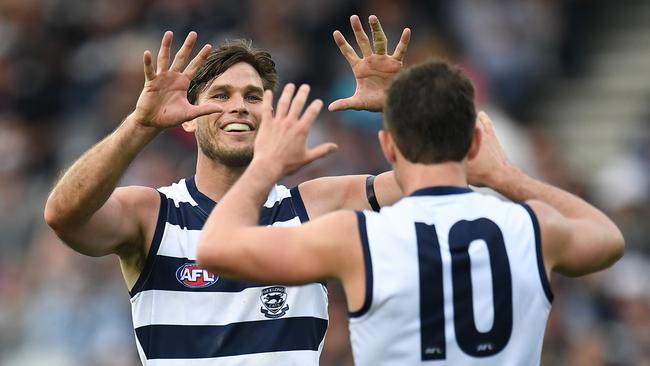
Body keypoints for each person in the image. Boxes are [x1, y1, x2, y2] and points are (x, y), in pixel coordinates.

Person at [196, 60, 625, 365]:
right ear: (474, 144)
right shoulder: (534, 226)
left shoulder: (356, 237)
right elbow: (608, 238)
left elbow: (214, 247)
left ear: (388, 147)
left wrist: (267, 165)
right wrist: (506, 176)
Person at [44, 15, 410, 365]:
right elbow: (63, 216)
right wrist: (140, 124)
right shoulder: (154, 213)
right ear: (188, 120)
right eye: (220, 95)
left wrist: (401, 109)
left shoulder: (314, 206)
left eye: (253, 97)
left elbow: (428, 183)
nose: (238, 107)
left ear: (270, 116)